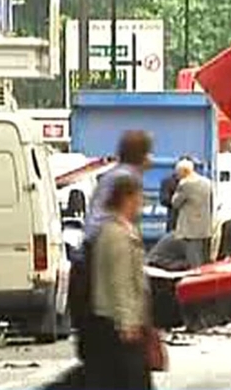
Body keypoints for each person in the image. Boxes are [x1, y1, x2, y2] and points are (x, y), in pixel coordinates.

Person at [57, 131, 152, 390]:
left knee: (103, 370)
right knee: (107, 371)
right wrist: (127, 320)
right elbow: (121, 278)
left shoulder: (114, 174)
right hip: (99, 255)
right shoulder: (126, 179)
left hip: (92, 254)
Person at [85, 174, 152, 390]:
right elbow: (120, 281)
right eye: (139, 198)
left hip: (116, 321)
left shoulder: (118, 230)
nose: (141, 204)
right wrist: (127, 322)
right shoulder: (116, 234)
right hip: (117, 323)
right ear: (127, 198)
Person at [171, 158, 213, 268]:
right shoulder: (207, 182)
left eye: (178, 172)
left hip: (190, 229)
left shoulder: (185, 184)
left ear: (184, 171)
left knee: (193, 261)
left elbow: (175, 203)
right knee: (204, 260)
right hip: (205, 226)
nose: (177, 175)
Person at [159, 155, 193, 233]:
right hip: (174, 221)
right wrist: (179, 200)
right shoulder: (168, 181)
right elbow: (164, 200)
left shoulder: (196, 183)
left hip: (192, 224)